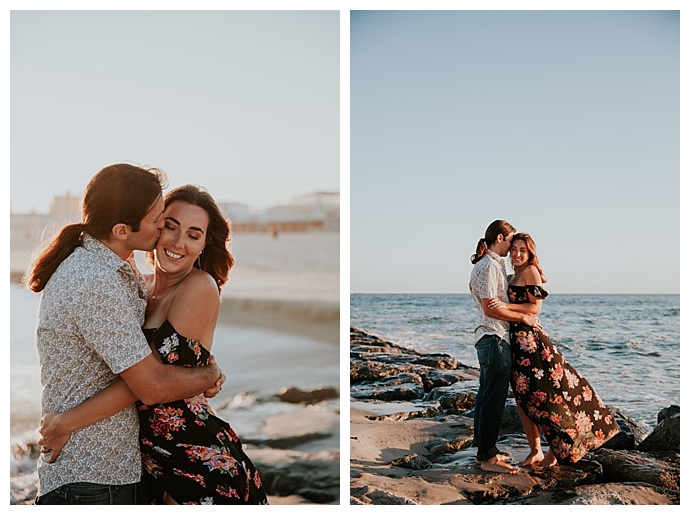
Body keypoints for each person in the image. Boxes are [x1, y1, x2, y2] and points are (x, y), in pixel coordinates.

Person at [39, 185, 269, 505]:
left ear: (203, 245)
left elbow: (150, 383)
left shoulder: (199, 287)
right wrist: (207, 374)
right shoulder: (138, 286)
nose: (178, 242)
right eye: (170, 226)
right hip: (146, 462)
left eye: (193, 234)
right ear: (157, 228)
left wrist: (68, 422)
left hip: (194, 457)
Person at [488, 233, 620, 467]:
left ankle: (554, 451)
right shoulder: (513, 275)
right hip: (516, 345)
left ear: (530, 253)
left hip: (533, 345)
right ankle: (535, 450)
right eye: (515, 249)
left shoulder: (531, 271)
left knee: (551, 396)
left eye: (523, 250)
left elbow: (534, 307)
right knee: (523, 399)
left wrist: (504, 305)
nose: (518, 254)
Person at [469, 220, 540, 474]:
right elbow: (490, 307)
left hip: (488, 338)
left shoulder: (488, 265)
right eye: (511, 241)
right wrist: (523, 317)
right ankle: (488, 458)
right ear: (500, 238)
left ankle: (484, 453)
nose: (512, 248)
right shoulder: (488, 266)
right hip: (494, 338)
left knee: (486, 397)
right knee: (493, 400)